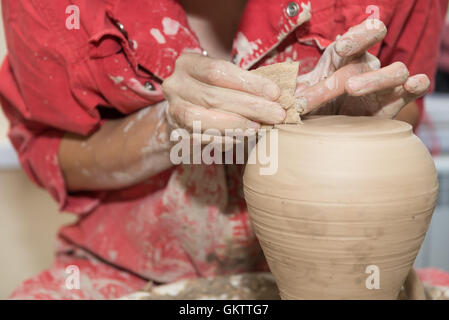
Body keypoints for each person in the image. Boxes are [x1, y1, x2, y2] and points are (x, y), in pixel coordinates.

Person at [0, 0, 447, 299]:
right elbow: (55, 157)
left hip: (348, 273)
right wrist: (165, 130)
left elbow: (403, 106)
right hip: (127, 270)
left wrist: (348, 117)